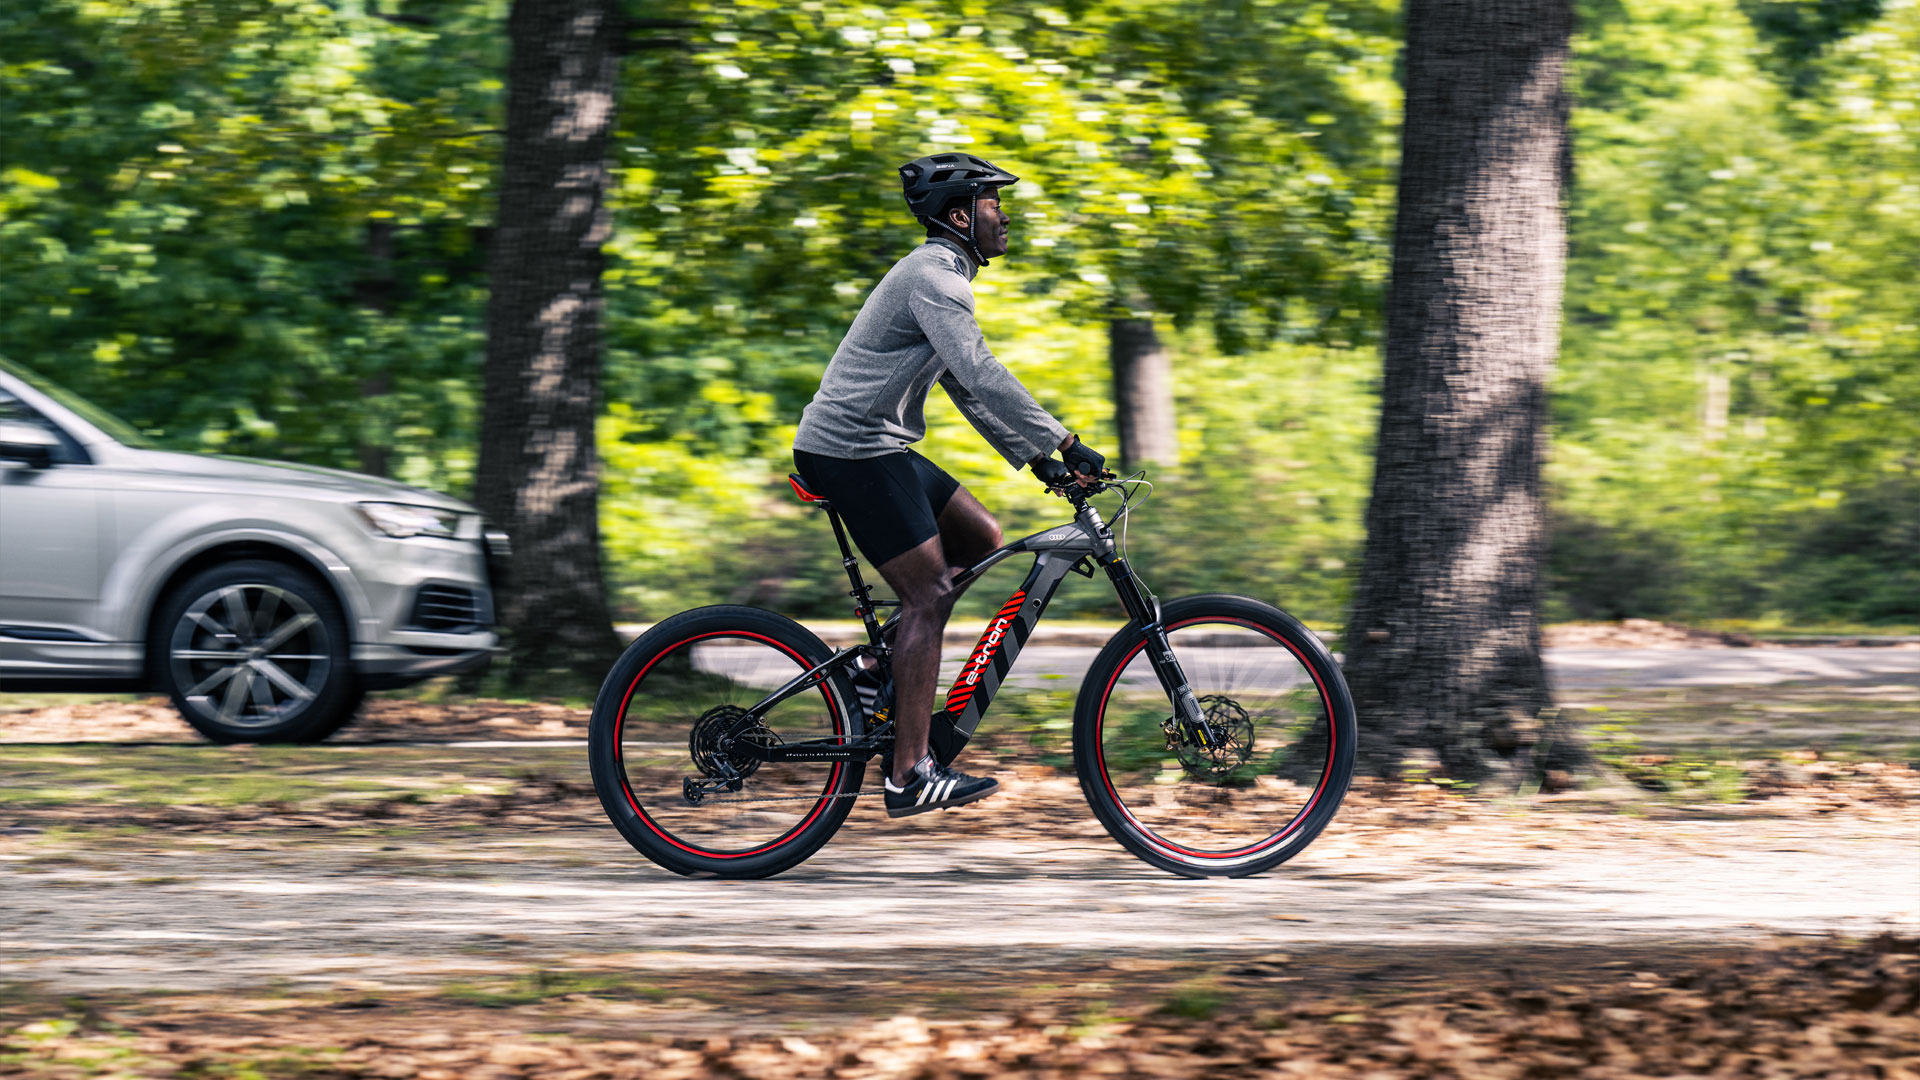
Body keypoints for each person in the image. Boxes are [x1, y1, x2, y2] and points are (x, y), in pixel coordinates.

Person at [792, 153, 1107, 819]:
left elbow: (964, 387)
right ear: (961, 214)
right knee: (929, 593)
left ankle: (878, 672)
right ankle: (909, 773)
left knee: (981, 537)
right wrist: (1066, 441)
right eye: (995, 204)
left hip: (876, 443)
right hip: (852, 449)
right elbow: (982, 370)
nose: (1005, 216)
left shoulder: (940, 277)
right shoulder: (936, 278)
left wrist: (1037, 460)